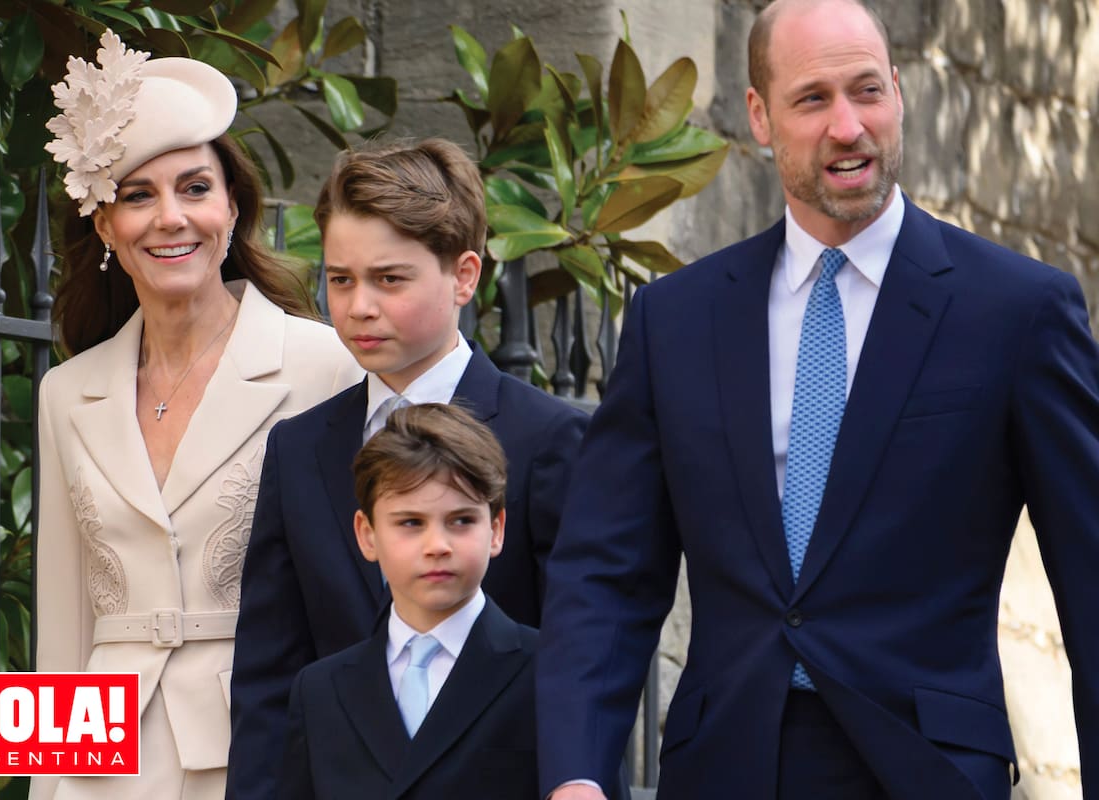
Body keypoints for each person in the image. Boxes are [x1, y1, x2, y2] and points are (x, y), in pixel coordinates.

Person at [535, 0, 1099, 798]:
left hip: (926, 770)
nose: (848, 126)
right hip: (723, 767)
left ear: (899, 93)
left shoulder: (1018, 310)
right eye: (813, 99)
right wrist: (577, 772)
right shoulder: (676, 320)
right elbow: (605, 572)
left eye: (867, 91)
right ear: (760, 118)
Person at [32, 30, 361, 800]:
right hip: (99, 773)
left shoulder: (324, 366)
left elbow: (353, 599)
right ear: (105, 227)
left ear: (232, 207)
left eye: (194, 188)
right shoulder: (66, 392)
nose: (169, 218)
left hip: (261, 753)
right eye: (137, 196)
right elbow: (62, 621)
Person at [227, 138, 588, 799]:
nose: (360, 305)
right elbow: (268, 677)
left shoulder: (552, 439)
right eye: (340, 279)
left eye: (389, 279)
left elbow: (582, 664)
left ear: (465, 275)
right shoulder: (298, 449)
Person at [280, 403, 539, 799]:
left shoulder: (549, 673)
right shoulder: (319, 691)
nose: (437, 546)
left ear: (497, 529)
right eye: (411, 523)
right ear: (367, 534)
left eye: (462, 520)